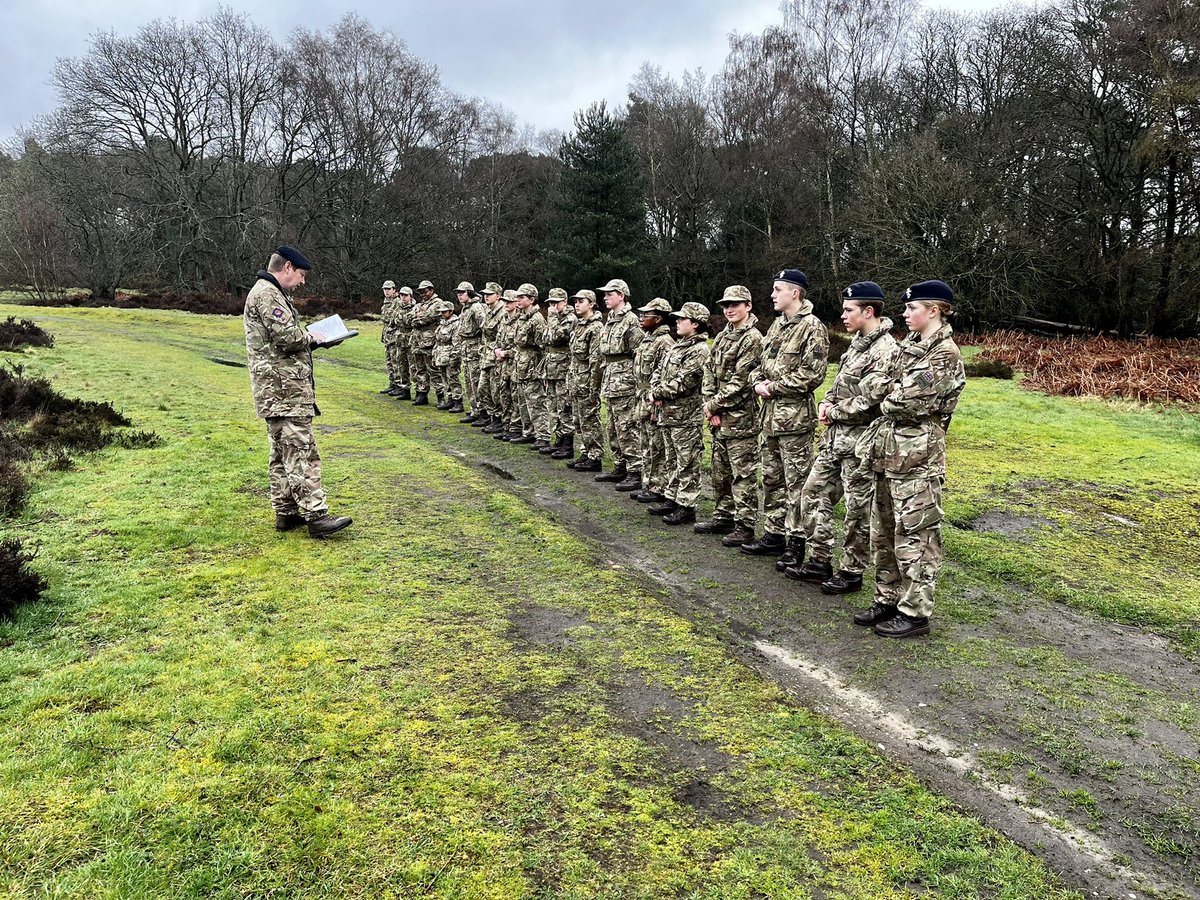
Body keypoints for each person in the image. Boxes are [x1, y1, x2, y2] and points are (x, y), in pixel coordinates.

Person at [853, 280, 966, 638]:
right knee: (883, 531)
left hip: (918, 458)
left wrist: (887, 392)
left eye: (911, 308)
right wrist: (888, 391)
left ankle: (915, 611)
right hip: (887, 453)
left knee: (916, 534)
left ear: (934, 310)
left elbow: (906, 402)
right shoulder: (907, 347)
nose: (904, 313)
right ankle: (887, 598)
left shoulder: (944, 353)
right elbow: (868, 384)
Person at [787, 281, 898, 593]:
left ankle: (851, 571)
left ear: (868, 311)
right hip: (835, 441)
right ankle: (819, 558)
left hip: (861, 445)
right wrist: (826, 402)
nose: (844, 315)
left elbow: (870, 400)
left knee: (856, 510)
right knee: (812, 493)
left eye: (849, 310)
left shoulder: (886, 350)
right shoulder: (857, 343)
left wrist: (833, 411)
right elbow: (839, 386)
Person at [243, 245, 351, 538]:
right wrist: (313, 337)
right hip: (284, 390)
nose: (303, 282)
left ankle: (286, 512)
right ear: (287, 267)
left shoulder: (268, 292)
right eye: (301, 274)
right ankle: (317, 516)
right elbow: (287, 337)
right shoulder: (267, 293)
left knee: (281, 453)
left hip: (277, 389)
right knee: (301, 451)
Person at [743, 269, 829, 568]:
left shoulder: (811, 327)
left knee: (797, 484)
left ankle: (796, 541)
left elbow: (813, 374)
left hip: (793, 421)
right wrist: (757, 381)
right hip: (769, 418)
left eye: (778, 289)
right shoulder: (777, 326)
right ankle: (774, 533)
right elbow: (759, 364)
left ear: (795, 293)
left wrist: (773, 387)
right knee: (771, 479)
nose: (772, 294)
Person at [697, 285, 763, 545]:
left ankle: (745, 524)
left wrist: (714, 405)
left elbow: (743, 381)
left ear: (748, 306)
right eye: (725, 305)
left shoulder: (753, 339)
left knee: (742, 473)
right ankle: (723, 515)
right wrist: (709, 403)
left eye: (735, 304)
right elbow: (709, 370)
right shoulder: (725, 335)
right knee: (720, 469)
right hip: (719, 417)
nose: (729, 309)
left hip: (741, 417)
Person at [648, 302, 711, 525]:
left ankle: (687, 505)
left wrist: (657, 391)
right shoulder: (678, 346)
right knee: (671, 458)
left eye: (681, 319)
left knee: (687, 461)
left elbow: (683, 383)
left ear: (695, 324)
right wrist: (654, 389)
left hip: (685, 417)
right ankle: (672, 497)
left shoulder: (699, 351)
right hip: (668, 414)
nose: (676, 322)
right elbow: (658, 372)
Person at [594, 278, 645, 489]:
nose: (605, 297)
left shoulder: (631, 321)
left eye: (610, 294)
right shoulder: (611, 319)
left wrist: (634, 381)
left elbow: (640, 353)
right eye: (604, 294)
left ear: (621, 296)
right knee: (613, 427)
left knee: (627, 427)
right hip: (611, 379)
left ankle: (635, 470)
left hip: (625, 382)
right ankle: (620, 465)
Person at [631, 298, 675, 504]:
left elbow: (665, 374)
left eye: (645, 315)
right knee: (646, 443)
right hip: (643, 396)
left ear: (658, 319)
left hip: (654, 399)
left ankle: (659, 486)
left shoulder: (664, 342)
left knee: (657, 445)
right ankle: (649, 483)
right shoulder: (647, 339)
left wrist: (656, 397)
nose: (641, 318)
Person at [564, 289, 605, 469]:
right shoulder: (580, 325)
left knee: (590, 419)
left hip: (586, 382)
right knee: (578, 420)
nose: (577, 304)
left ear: (592, 304)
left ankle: (595, 456)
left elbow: (596, 361)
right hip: (576, 381)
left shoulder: (596, 328)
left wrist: (593, 388)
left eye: (581, 301)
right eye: (576, 301)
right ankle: (586, 452)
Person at [512, 283, 550, 447]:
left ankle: (543, 435)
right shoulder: (522, 317)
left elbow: (542, 345)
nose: (518, 300)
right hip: (521, 363)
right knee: (523, 401)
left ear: (532, 299)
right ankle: (528, 432)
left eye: (522, 297)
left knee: (536, 402)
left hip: (532, 365)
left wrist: (539, 369)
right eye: (518, 297)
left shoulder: (536, 319)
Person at [542, 288, 577, 456]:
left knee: (565, 406)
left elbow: (556, 337)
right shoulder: (555, 319)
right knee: (553, 406)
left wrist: (553, 317)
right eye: (550, 303)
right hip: (551, 368)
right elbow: (544, 339)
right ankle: (559, 438)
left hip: (563, 369)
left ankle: (568, 443)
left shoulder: (570, 319)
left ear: (565, 301)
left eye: (556, 302)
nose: (553, 306)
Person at [474, 283, 505, 430]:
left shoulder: (502, 312)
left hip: (496, 357)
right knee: (482, 388)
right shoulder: (487, 310)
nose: (486, 296)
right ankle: (492, 415)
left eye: (490, 294)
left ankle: (498, 419)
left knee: (496, 390)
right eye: (485, 294)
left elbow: (502, 336)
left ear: (498, 296)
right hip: (486, 356)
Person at [492, 290, 522, 440]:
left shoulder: (520, 320)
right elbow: (498, 340)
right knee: (504, 395)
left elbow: (521, 347)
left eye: (509, 301)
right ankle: (507, 425)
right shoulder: (503, 319)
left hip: (515, 364)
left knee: (515, 396)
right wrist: (497, 350)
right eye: (505, 301)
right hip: (503, 365)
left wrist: (506, 353)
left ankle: (516, 427)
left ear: (517, 303)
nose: (506, 304)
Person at [454, 281, 485, 420]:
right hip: (466, 349)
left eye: (462, 293)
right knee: (468, 380)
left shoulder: (476, 308)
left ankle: (481, 410)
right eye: (458, 293)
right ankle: (474, 409)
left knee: (476, 381)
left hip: (474, 348)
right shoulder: (466, 308)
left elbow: (483, 328)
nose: (459, 296)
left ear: (470, 293)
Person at [409, 279, 441, 406]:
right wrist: (417, 316)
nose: (422, 294)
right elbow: (409, 318)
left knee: (433, 370)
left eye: (425, 291)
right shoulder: (419, 305)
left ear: (431, 290)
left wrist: (418, 317)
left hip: (429, 342)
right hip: (417, 342)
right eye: (420, 292)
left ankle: (440, 395)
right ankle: (422, 394)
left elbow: (427, 318)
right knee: (419, 369)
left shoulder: (438, 303)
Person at [432, 300, 463, 412]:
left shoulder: (456, 324)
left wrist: (454, 358)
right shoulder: (442, 323)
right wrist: (435, 354)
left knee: (453, 379)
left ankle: (458, 401)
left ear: (450, 311)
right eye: (441, 312)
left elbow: (457, 343)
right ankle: (450, 399)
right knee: (445, 379)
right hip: (441, 355)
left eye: (444, 312)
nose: (442, 314)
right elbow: (438, 340)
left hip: (450, 356)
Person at [379, 280, 403, 395]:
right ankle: (392, 383)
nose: (386, 291)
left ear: (394, 290)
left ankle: (399, 385)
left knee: (396, 361)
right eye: (385, 289)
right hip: (387, 337)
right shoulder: (385, 303)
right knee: (389, 361)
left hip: (395, 337)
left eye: (389, 289)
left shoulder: (398, 302)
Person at [392, 286, 416, 400]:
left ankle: (419, 391)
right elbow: (393, 323)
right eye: (401, 295)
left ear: (410, 296)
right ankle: (405, 390)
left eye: (405, 295)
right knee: (402, 366)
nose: (403, 297)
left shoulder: (415, 308)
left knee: (413, 366)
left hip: (411, 341)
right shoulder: (398, 308)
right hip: (400, 340)